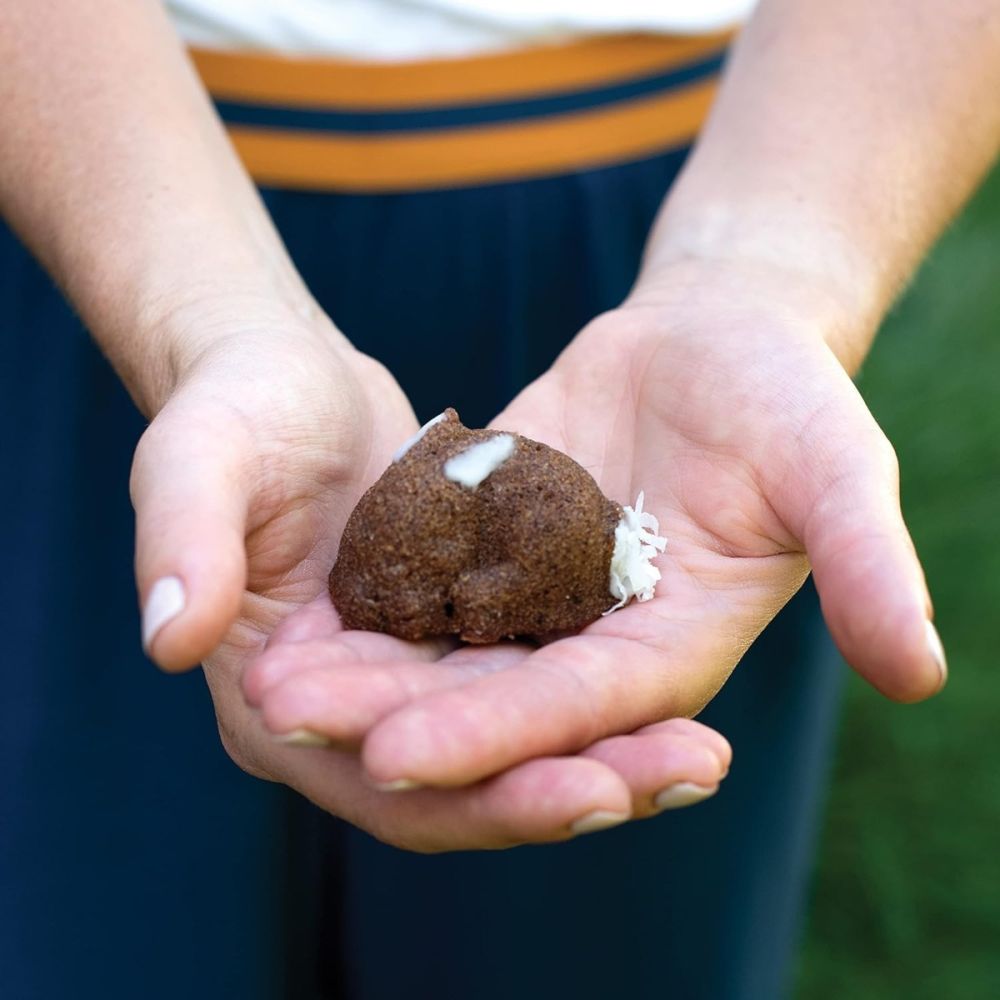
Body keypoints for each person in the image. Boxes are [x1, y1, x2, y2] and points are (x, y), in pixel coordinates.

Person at [1, 0, 997, 997]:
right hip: (111, 181)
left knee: (592, 949)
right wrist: (193, 309)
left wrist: (774, 271)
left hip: (738, 172)